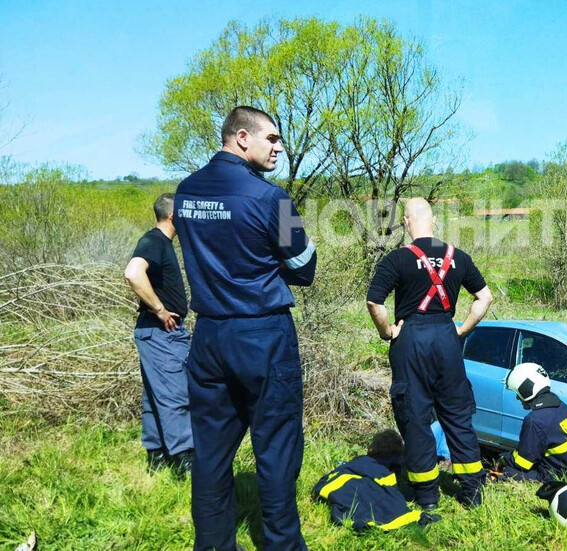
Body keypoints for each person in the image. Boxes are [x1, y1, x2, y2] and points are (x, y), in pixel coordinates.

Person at [174, 106, 317, 551]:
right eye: (272, 139)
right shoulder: (271, 198)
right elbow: (305, 266)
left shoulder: (185, 192)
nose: (279, 148)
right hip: (262, 334)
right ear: (241, 137)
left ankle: (214, 544)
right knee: (275, 449)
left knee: (212, 451)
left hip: (209, 334)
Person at [366, 198, 493, 510]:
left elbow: (374, 302)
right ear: (433, 220)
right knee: (458, 415)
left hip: (412, 340)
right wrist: (463, 329)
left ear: (407, 222)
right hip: (447, 339)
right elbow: (484, 297)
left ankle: (428, 501)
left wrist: (387, 332)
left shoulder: (398, 258)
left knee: (416, 418)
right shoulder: (458, 257)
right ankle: (472, 493)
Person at [123, 193, 193, 476]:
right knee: (177, 395)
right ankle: (185, 461)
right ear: (174, 216)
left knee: (155, 395)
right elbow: (133, 273)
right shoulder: (154, 241)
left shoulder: (161, 243)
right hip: (161, 331)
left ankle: (157, 457)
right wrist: (161, 310)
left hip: (154, 334)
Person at [311, 430, 438, 531]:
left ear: (372, 449)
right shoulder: (381, 469)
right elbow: (393, 493)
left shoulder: (358, 461)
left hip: (328, 487)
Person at [499, 363, 567, 482]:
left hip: (562, 478)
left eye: (517, 393)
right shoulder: (560, 406)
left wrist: (503, 459)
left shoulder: (535, 420)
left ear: (526, 389)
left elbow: (523, 463)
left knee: (508, 472)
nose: (518, 398)